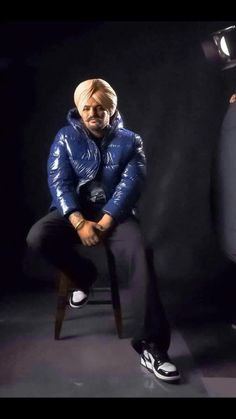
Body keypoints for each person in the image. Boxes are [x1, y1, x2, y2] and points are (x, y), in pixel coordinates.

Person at [27, 78, 180, 382]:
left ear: (112, 109)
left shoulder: (130, 140)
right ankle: (83, 277)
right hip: (74, 215)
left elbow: (131, 185)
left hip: (116, 217)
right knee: (38, 236)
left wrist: (106, 220)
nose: (93, 113)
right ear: (79, 109)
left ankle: (152, 347)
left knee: (140, 251)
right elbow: (60, 183)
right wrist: (79, 222)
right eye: (86, 108)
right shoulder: (65, 138)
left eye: (99, 108)